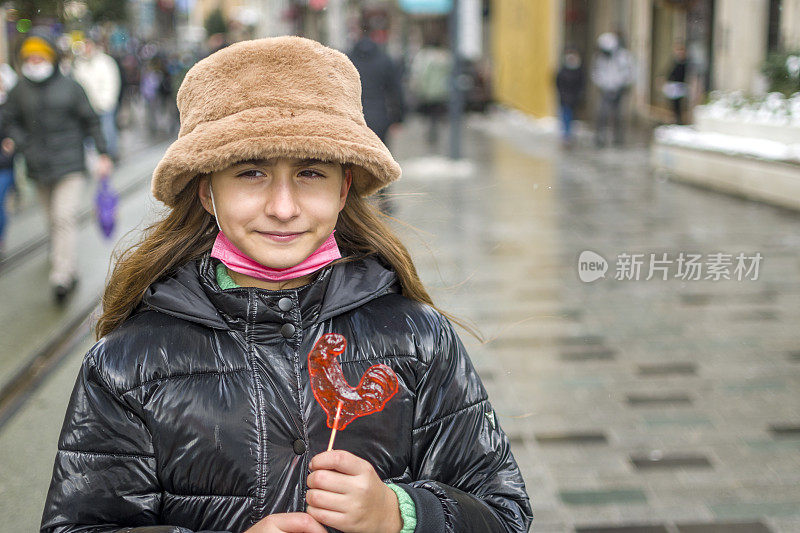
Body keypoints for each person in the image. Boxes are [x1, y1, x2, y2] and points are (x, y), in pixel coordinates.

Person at [40, 36, 532, 532]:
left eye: (310, 173)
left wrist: (399, 514)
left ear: (344, 188)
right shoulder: (127, 367)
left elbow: (504, 514)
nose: (283, 207)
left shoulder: (417, 339)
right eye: (251, 172)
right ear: (207, 192)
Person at [3, 31, 113, 303]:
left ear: (50, 58)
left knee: (64, 217)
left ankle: (62, 275)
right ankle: (65, 262)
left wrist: (103, 153)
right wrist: (21, 141)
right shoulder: (20, 90)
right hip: (38, 167)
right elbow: (8, 120)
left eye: (40, 56)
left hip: (69, 165)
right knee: (52, 218)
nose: (35, 61)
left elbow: (91, 120)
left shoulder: (71, 87)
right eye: (30, 57)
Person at [347, 11, 405, 214]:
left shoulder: (348, 58)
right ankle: (385, 200)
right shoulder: (385, 59)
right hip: (380, 116)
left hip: (354, 118)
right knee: (382, 158)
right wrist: (398, 118)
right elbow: (396, 91)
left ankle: (353, 202)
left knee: (353, 160)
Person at [73, 37, 122, 161]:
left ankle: (110, 155)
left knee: (107, 130)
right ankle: (97, 158)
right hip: (88, 106)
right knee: (90, 134)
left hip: (104, 104)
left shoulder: (105, 61)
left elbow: (112, 82)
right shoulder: (79, 64)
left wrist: (107, 100)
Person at [591, 32, 634, 147]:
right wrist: (602, 85)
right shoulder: (600, 58)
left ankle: (618, 138)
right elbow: (596, 73)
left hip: (618, 90)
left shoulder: (623, 57)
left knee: (618, 115)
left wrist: (622, 85)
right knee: (602, 114)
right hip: (605, 90)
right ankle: (601, 137)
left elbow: (628, 73)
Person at [555, 47, 585, 147]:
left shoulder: (578, 71)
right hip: (565, 98)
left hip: (573, 98)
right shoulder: (563, 70)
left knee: (571, 117)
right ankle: (566, 136)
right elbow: (558, 83)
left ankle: (569, 136)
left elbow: (581, 84)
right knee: (566, 117)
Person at [663, 42, 688, 125]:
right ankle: (675, 118)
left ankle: (678, 119)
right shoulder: (676, 61)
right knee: (673, 103)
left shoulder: (684, 63)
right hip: (674, 86)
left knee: (678, 104)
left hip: (679, 86)